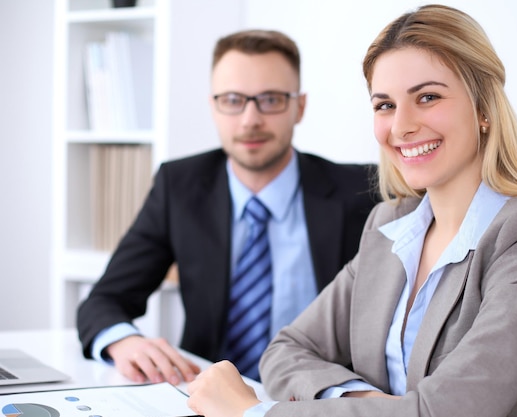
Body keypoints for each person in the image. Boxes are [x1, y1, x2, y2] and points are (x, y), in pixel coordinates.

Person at [186, 4, 517, 417]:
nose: (401, 125)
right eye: (385, 105)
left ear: (483, 110)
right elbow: (285, 351)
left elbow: (442, 413)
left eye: (427, 97)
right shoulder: (388, 228)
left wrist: (250, 413)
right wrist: (364, 401)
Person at [77, 29, 378, 384]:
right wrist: (124, 341)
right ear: (214, 107)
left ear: (299, 107)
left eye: (270, 99)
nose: (250, 119)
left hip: (317, 398)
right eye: (233, 100)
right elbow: (104, 299)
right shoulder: (180, 185)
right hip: (204, 393)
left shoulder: (363, 191)